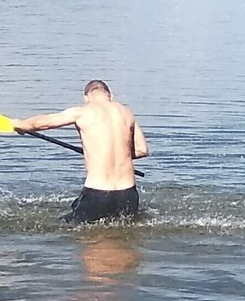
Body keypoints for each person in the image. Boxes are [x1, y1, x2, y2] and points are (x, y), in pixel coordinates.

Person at [12, 80, 149, 223]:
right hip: (128, 193)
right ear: (110, 96)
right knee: (123, 235)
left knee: (66, 227)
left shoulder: (82, 112)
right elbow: (142, 150)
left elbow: (41, 123)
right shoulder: (126, 113)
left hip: (98, 192)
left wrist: (20, 124)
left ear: (86, 98)